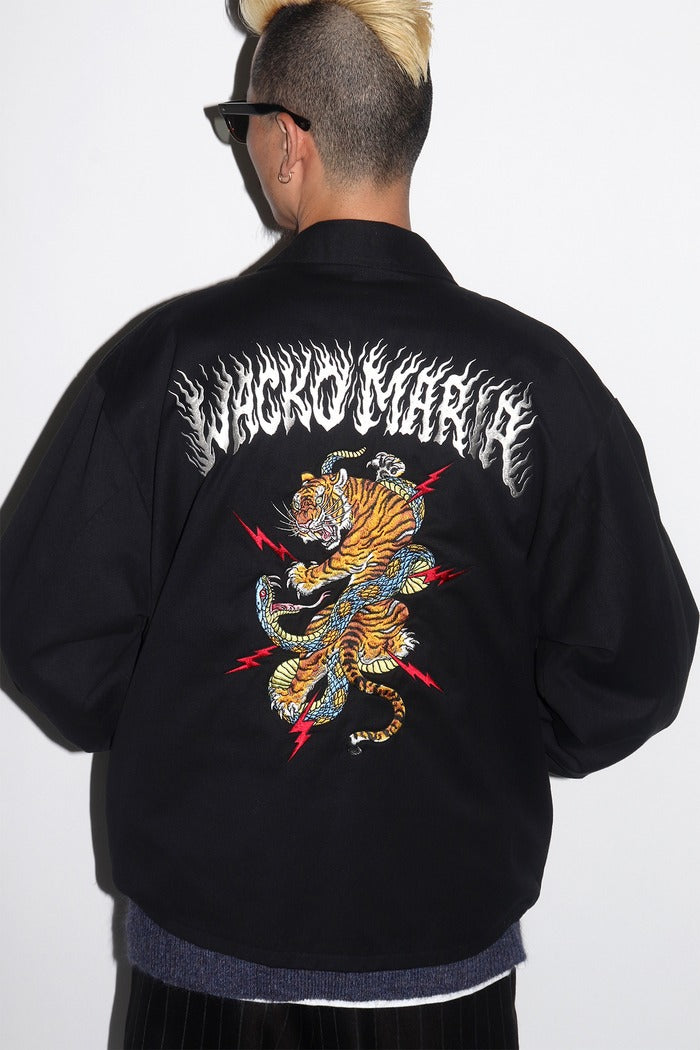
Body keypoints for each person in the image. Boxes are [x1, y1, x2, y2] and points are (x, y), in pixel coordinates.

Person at [1, 1, 697, 1047]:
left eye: (243, 127)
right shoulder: (544, 383)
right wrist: (494, 738)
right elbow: (635, 663)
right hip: (443, 973)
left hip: (207, 977)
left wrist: (175, 729)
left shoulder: (163, 364)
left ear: (288, 140)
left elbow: (43, 634)